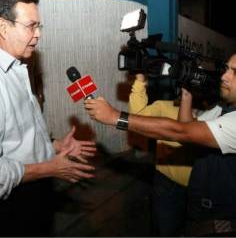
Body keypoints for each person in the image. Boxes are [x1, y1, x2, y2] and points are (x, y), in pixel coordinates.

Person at [0, 0, 96, 236]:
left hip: (34, 193)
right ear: (4, 27)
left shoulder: (16, 67)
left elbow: (16, 137)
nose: (38, 34)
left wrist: (53, 146)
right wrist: (50, 168)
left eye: (39, 26)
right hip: (11, 209)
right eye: (31, 26)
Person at [85, 53, 236, 236]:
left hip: (221, 218)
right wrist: (186, 90)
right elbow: (185, 130)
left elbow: (179, 132)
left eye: (234, 72)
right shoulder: (222, 110)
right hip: (188, 197)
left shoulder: (226, 115)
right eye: (225, 69)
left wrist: (115, 117)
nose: (223, 76)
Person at [129, 73, 193, 236]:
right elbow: (138, 116)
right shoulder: (166, 106)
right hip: (166, 183)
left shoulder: (220, 114)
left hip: (201, 188)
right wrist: (140, 80)